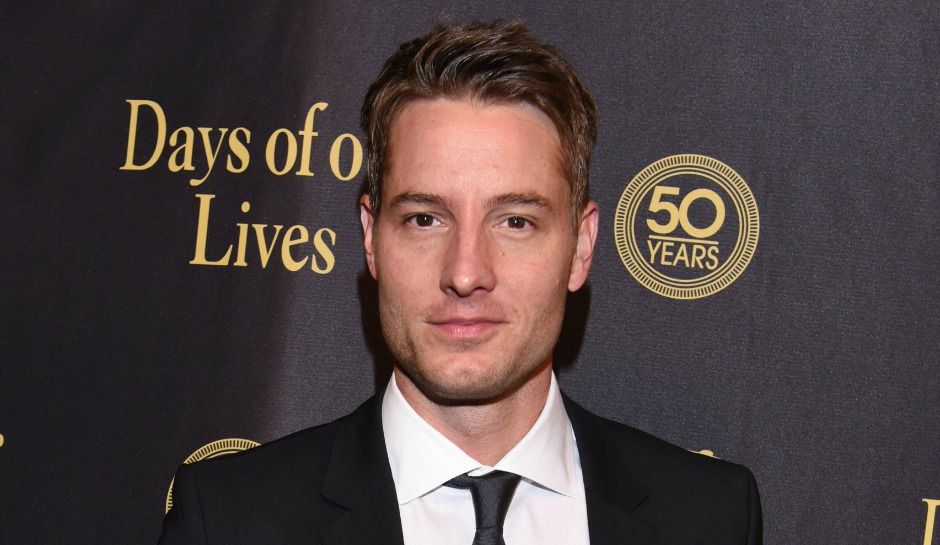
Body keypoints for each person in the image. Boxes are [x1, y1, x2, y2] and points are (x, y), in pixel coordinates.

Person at [158, 20, 762, 545]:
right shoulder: (231, 520)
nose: (466, 273)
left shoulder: (708, 518)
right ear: (371, 237)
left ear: (580, 247)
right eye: (425, 219)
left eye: (515, 221)